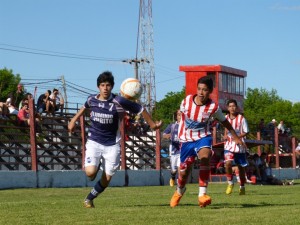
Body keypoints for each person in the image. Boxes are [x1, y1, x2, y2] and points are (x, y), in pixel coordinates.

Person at [68, 71, 162, 208]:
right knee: (90, 173)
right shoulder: (91, 99)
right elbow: (83, 109)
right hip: (94, 141)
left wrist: (153, 125)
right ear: (98, 87)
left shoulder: (118, 101)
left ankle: (89, 198)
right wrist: (72, 121)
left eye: (108, 85)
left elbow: (141, 109)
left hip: (112, 144)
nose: (105, 88)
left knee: (107, 179)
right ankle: (97, 165)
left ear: (112, 87)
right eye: (102, 85)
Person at [169, 76, 245, 208]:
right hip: (186, 140)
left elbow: (225, 122)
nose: (200, 92)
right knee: (184, 170)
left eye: (204, 90)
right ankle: (179, 191)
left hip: (203, 136)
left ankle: (202, 194)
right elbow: (181, 117)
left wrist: (236, 137)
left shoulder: (213, 108)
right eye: (199, 89)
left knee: (205, 157)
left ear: (209, 91)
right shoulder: (186, 101)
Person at [223, 99, 249, 195]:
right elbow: (226, 128)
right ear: (227, 108)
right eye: (230, 106)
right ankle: (230, 182)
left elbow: (246, 131)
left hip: (239, 145)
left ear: (236, 107)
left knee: (241, 168)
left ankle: (242, 186)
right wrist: (225, 135)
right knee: (228, 163)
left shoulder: (241, 118)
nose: (232, 108)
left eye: (233, 106)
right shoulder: (225, 118)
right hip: (229, 144)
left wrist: (237, 138)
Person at [162, 109, 181, 187]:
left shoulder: (186, 126)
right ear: (176, 117)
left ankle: (179, 184)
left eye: (182, 114)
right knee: (174, 170)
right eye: (179, 115)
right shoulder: (172, 126)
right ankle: (173, 177)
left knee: (181, 167)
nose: (181, 116)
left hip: (182, 150)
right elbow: (164, 134)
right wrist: (168, 136)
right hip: (173, 150)